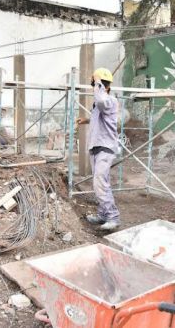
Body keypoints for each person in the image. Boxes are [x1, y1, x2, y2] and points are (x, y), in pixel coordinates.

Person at [77, 68, 121, 231]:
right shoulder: (99, 104)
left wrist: (97, 83)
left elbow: (102, 102)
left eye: (98, 85)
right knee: (102, 181)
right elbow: (101, 118)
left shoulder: (110, 100)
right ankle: (103, 215)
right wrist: (86, 120)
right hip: (97, 146)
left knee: (99, 182)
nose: (95, 88)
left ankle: (113, 217)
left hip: (106, 147)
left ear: (105, 87)